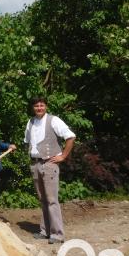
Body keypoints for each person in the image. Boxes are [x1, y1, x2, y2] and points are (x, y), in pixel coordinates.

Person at [24, 96, 76, 244]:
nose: (39, 108)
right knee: (43, 199)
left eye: (41, 105)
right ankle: (45, 231)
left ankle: (57, 234)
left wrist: (63, 156)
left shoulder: (54, 120)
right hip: (35, 164)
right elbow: (27, 141)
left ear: (45, 106)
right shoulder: (30, 122)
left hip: (49, 163)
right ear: (33, 108)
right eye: (36, 106)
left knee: (52, 200)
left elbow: (70, 137)